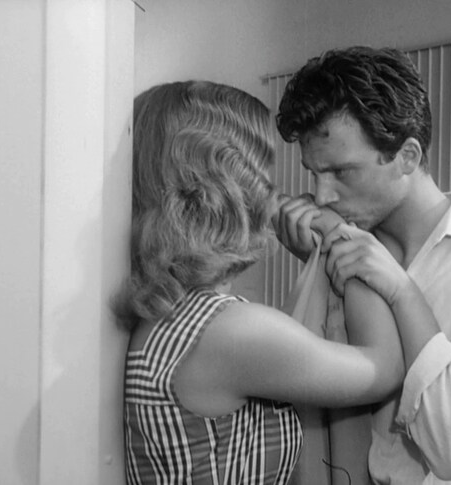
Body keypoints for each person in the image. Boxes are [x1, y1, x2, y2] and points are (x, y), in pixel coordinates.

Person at [274, 46, 451, 484]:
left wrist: (403, 292)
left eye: (342, 173)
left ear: (407, 156)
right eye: (315, 174)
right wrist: (320, 276)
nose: (323, 195)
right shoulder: (344, 248)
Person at [113, 80, 404, 484]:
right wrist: (343, 237)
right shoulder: (231, 332)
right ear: (237, 189)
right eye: (265, 174)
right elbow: (385, 368)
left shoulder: (168, 315)